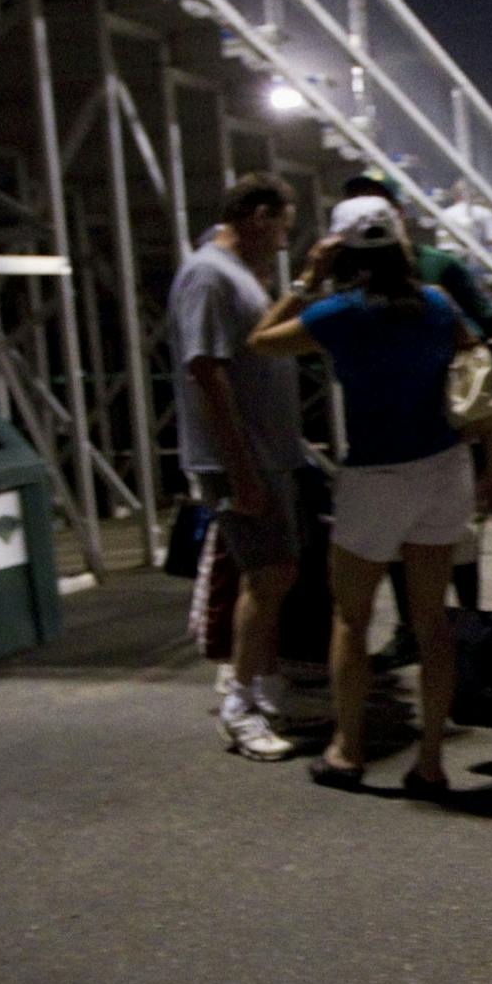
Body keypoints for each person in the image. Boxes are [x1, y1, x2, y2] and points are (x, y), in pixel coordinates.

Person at [247, 196, 492, 794]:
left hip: (374, 478)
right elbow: (480, 373)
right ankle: (432, 761)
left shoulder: (337, 313)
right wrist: (490, 469)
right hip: (442, 470)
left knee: (351, 618)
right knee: (432, 622)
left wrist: (308, 277)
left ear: (344, 251)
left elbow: (259, 341)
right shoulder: (439, 305)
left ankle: (348, 750)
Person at [169, 171, 325, 762]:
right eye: (283, 226)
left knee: (274, 573)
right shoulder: (209, 274)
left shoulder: (231, 272)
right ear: (258, 216)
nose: (284, 240)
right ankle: (240, 704)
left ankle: (258, 687)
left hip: (264, 453)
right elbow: (205, 371)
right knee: (268, 575)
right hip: (242, 459)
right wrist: (241, 468)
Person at [338, 174, 492, 666]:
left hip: (451, 428)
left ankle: (471, 625)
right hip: (385, 437)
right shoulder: (350, 281)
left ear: (398, 214)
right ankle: (411, 631)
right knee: (402, 547)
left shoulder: (440, 269)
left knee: (459, 540)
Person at [443, 177, 492, 263]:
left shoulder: (444, 214)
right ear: (473, 194)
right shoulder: (484, 212)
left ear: (454, 195)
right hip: (479, 264)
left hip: (451, 265)